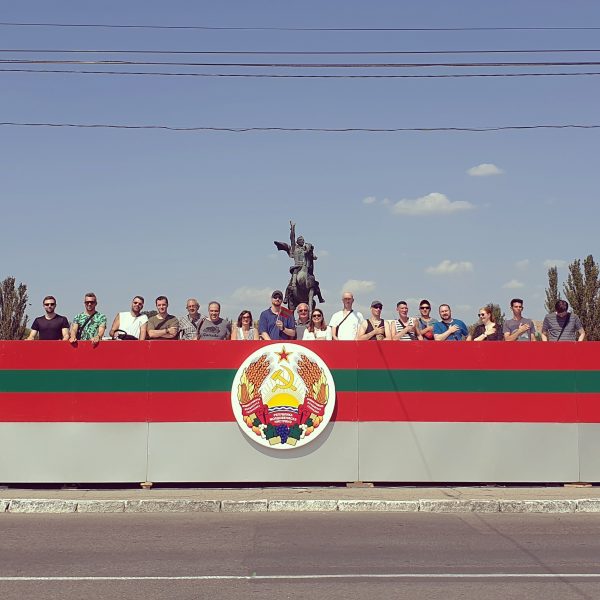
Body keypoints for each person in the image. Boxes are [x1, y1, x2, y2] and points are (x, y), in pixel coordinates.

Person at [274, 221, 325, 305]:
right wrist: (292, 229)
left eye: (303, 240)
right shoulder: (294, 249)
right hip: (297, 267)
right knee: (291, 282)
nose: (302, 241)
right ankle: (286, 297)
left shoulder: (305, 249)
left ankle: (320, 297)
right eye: (301, 240)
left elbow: (312, 256)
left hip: (306, 267)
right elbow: (292, 239)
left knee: (314, 281)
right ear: (298, 241)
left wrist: (313, 256)